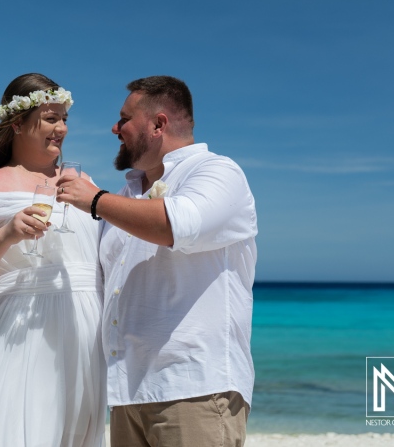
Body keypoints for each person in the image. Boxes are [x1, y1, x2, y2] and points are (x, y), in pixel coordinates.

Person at [56, 75, 257, 447]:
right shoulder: (128, 193)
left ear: (158, 124)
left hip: (194, 389)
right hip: (125, 394)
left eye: (124, 119)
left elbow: (177, 224)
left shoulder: (216, 172)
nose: (114, 128)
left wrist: (95, 200)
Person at [0, 73, 106, 447]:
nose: (61, 128)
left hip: (84, 337)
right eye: (51, 118)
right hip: (18, 336)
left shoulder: (82, 181)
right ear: (17, 123)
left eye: (65, 118)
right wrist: (7, 234)